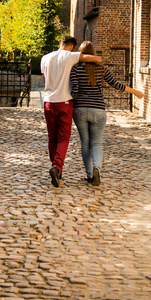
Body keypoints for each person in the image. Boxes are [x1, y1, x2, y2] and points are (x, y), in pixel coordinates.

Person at [70, 41, 144, 186]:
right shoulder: (101, 69)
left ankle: (90, 175)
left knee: (85, 143)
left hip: (80, 110)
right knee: (96, 143)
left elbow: (75, 91)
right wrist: (135, 92)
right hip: (98, 110)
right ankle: (97, 168)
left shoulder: (75, 70)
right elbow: (116, 84)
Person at [41, 35, 102, 187]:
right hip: (64, 102)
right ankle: (57, 166)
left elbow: (45, 80)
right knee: (63, 138)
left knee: (52, 137)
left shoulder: (45, 58)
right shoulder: (70, 56)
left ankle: (57, 170)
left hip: (48, 102)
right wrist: (83, 58)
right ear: (71, 46)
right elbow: (97, 60)